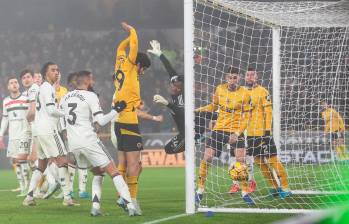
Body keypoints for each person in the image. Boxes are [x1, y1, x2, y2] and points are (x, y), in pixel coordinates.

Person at [60, 70, 136, 216]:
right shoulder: (90, 96)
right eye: (92, 79)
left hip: (74, 145)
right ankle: (131, 206)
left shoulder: (65, 97)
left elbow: (61, 118)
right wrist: (117, 109)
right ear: (87, 80)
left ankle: (95, 208)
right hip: (89, 140)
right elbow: (100, 121)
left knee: (99, 172)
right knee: (114, 171)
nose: (93, 81)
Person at [195, 66, 255, 205]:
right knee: (207, 157)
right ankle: (200, 191)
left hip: (235, 131)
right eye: (230, 77)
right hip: (219, 129)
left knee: (240, 159)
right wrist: (198, 110)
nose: (232, 80)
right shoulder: (219, 89)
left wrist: (237, 133)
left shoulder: (245, 93)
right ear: (226, 78)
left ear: (239, 78)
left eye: (235, 77)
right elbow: (213, 106)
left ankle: (245, 192)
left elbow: (247, 117)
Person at [22, 62, 77, 206]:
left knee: (41, 165)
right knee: (63, 161)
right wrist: (66, 114)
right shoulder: (47, 88)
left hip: (39, 131)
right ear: (46, 74)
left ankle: (29, 197)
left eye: (58, 70)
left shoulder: (42, 89)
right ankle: (67, 198)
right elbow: (52, 110)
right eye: (53, 70)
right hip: (48, 131)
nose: (57, 72)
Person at [112, 22, 151, 215]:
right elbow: (133, 46)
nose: (143, 73)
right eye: (144, 69)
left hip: (119, 121)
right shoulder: (130, 66)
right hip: (128, 121)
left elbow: (121, 47)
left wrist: (126, 39)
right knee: (136, 164)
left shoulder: (119, 62)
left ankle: (122, 196)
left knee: (123, 163)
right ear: (139, 65)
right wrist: (133, 31)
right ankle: (131, 200)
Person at [243, 68, 291, 199]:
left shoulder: (262, 91)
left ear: (257, 77)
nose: (250, 77)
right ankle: (274, 187)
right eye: (248, 75)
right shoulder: (241, 93)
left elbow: (268, 112)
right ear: (245, 77)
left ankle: (286, 188)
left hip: (263, 133)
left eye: (252, 74)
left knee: (273, 161)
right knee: (259, 162)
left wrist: (267, 131)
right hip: (250, 134)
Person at [147, 40, 185, 154]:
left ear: (179, 87)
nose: (170, 85)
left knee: (172, 148)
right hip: (182, 132)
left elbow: (181, 112)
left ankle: (197, 141)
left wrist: (167, 104)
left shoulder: (181, 98)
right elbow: (169, 69)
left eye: (173, 84)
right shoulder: (176, 86)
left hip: (189, 132)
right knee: (168, 149)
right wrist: (159, 54)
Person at [0, 76, 31, 196]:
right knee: (15, 161)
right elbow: (5, 119)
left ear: (18, 85)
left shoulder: (26, 98)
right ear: (8, 87)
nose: (14, 84)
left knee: (23, 161)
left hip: (24, 133)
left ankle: (28, 186)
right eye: (11, 83)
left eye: (15, 82)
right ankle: (22, 186)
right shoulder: (6, 101)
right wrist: (1, 135)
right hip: (13, 136)